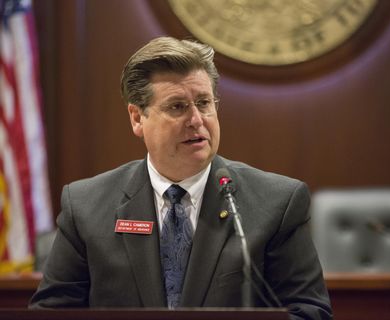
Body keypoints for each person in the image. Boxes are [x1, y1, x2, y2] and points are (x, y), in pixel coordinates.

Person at [29, 36, 332, 319]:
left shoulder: (277, 202)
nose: (197, 120)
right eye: (177, 107)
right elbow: (51, 312)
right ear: (137, 118)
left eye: (204, 103)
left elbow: (309, 311)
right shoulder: (85, 206)